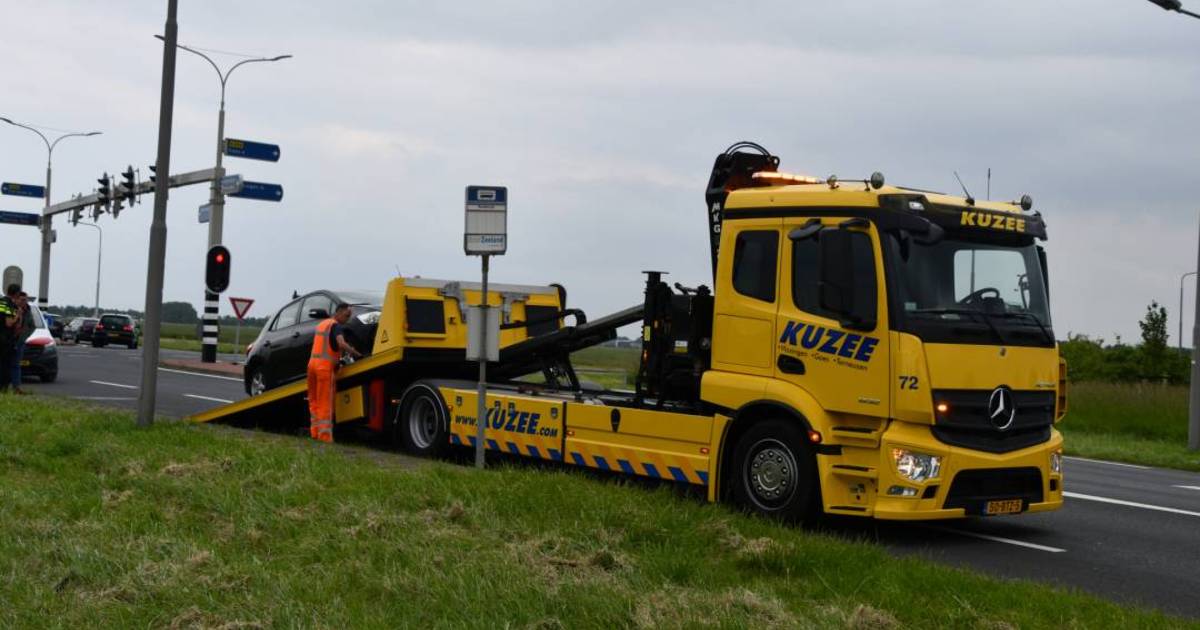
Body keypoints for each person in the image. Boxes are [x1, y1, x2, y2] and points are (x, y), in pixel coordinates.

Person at [306, 303, 363, 442]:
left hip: (311, 366)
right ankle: (325, 436)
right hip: (324, 369)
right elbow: (341, 344)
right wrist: (357, 354)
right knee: (325, 403)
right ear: (339, 312)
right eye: (347, 315)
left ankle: (315, 432)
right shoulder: (336, 326)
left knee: (314, 401)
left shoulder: (322, 324)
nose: (347, 319)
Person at [9, 292, 34, 394]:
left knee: (16, 365)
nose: (24, 302)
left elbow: (32, 326)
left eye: (26, 300)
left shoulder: (28, 310)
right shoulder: (10, 308)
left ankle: (16, 387)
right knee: (4, 364)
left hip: (19, 342)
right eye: (22, 300)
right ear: (16, 299)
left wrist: (24, 336)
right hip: (8, 341)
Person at [0, 284, 20, 393]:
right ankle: (3, 387)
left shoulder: (1, 302)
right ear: (16, 293)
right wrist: (17, 315)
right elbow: (9, 323)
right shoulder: (9, 304)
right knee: (5, 364)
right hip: (5, 339)